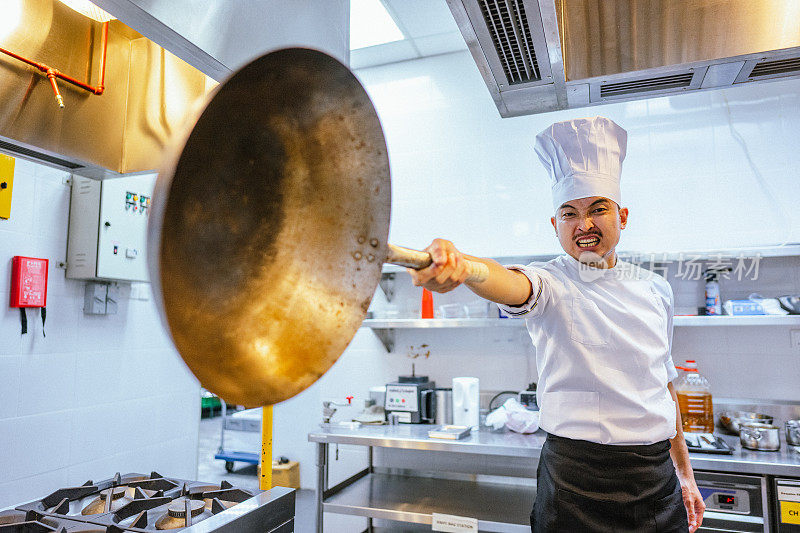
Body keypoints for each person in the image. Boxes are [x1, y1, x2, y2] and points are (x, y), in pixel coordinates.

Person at [409, 117, 705, 532]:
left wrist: (685, 474)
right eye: (570, 213)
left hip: (654, 479)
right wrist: (466, 268)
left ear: (622, 215)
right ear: (555, 226)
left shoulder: (656, 289)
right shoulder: (550, 282)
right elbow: (511, 284)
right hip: (574, 483)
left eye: (597, 209)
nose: (584, 225)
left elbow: (665, 385)